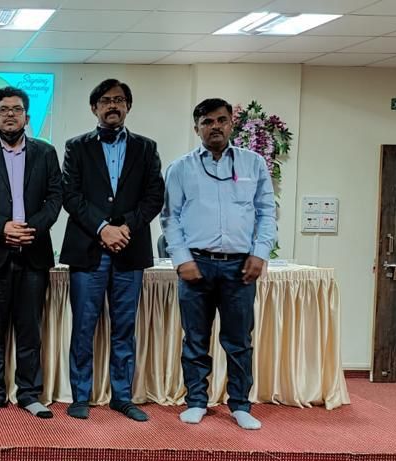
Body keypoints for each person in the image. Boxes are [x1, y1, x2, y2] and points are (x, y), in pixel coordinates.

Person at [160, 98, 276, 430]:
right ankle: (197, 401)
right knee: (195, 339)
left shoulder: (253, 164)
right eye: (207, 122)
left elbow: (267, 212)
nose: (215, 127)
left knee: (239, 341)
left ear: (231, 124)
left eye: (221, 120)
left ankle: (240, 405)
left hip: (240, 267)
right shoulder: (181, 168)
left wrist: (260, 253)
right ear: (196, 128)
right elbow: (170, 218)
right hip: (196, 264)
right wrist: (181, 259)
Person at [60, 79, 164, 422]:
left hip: (130, 249)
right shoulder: (76, 147)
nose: (112, 106)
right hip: (88, 249)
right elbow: (71, 196)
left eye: (119, 100)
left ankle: (122, 396)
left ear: (128, 106)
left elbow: (154, 197)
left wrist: (125, 227)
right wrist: (103, 228)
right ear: (94, 108)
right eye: (105, 100)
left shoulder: (146, 148)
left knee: (124, 327)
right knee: (83, 327)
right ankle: (81, 395)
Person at [0, 86, 62, 419]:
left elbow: (55, 198)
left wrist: (30, 228)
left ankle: (29, 394)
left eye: (16, 109)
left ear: (26, 117)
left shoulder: (46, 153)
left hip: (33, 252)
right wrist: (2, 227)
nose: (10, 115)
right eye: (3, 110)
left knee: (30, 328)